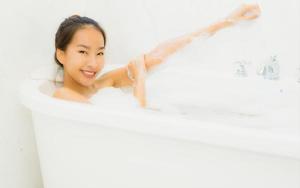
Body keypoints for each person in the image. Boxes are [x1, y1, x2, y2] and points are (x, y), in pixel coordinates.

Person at [53, 4, 261, 108]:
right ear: (61, 55)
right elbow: (135, 122)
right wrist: (139, 77)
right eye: (83, 52)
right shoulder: (63, 96)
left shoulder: (102, 85)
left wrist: (228, 21)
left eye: (100, 53)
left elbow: (157, 55)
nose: (93, 62)